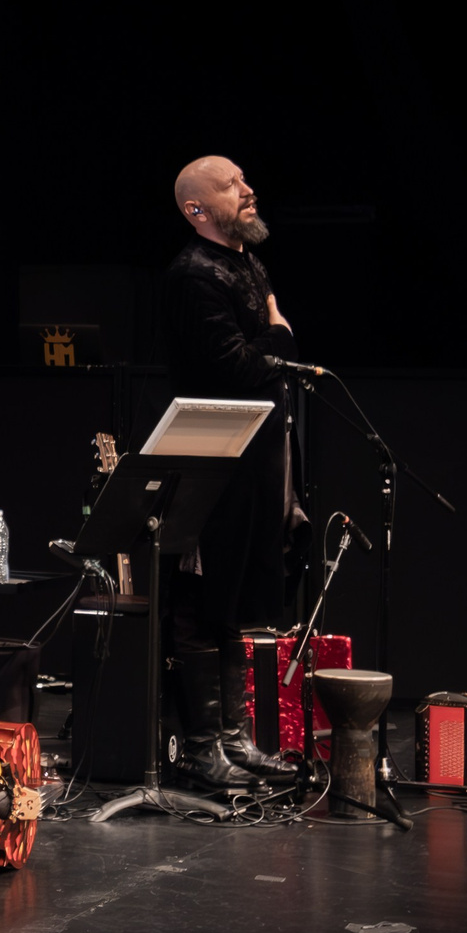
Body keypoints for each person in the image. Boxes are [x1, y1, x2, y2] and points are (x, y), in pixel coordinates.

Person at [162, 155, 301, 787]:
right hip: (213, 457)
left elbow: (266, 358)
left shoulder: (248, 262)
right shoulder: (194, 273)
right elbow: (239, 367)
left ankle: (235, 739)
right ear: (197, 209)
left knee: (237, 601)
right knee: (203, 599)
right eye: (231, 185)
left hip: (255, 457)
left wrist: (273, 342)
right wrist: (279, 336)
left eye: (244, 180)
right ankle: (201, 747)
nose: (248, 190)